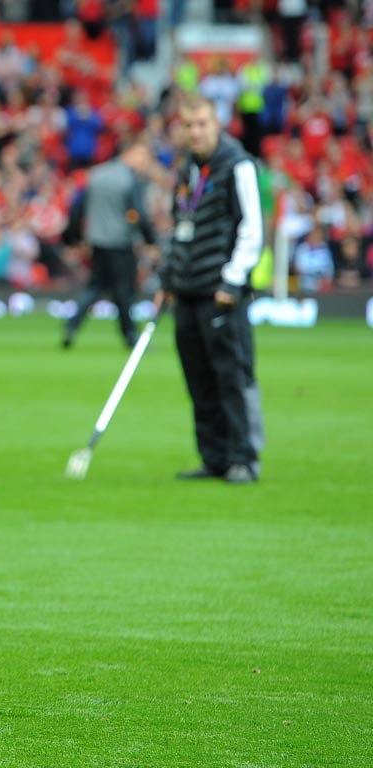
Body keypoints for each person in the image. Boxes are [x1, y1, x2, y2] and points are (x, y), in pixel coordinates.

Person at [155, 94, 265, 485]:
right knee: (198, 378)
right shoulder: (187, 170)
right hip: (186, 291)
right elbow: (177, 228)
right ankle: (214, 457)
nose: (195, 131)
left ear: (217, 123)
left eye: (202, 123)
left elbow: (252, 227)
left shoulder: (238, 165)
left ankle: (243, 458)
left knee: (232, 376)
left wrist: (233, 279)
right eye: (189, 125)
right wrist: (167, 279)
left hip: (221, 291)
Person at [61, 139, 156, 349]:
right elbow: (138, 213)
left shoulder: (96, 174)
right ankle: (130, 335)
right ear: (129, 153)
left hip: (97, 241)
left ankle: (71, 325)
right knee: (124, 290)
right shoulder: (129, 179)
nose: (144, 162)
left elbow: (77, 209)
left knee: (94, 287)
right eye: (142, 156)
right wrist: (151, 240)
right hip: (121, 242)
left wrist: (73, 237)